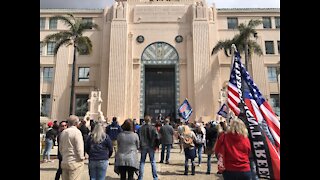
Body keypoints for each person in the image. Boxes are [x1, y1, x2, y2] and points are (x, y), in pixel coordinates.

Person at [59, 115, 85, 180]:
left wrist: (64, 155)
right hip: (75, 161)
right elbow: (79, 148)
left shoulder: (63, 132)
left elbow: (60, 148)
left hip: (65, 160)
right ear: (76, 123)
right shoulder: (77, 132)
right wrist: (81, 157)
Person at [138, 115, 159, 180]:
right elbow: (157, 138)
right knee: (153, 161)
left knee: (142, 162)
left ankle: (140, 177)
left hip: (143, 146)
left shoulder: (140, 128)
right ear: (150, 120)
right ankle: (155, 177)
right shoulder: (153, 128)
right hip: (151, 146)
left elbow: (138, 137)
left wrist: (139, 146)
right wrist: (156, 146)